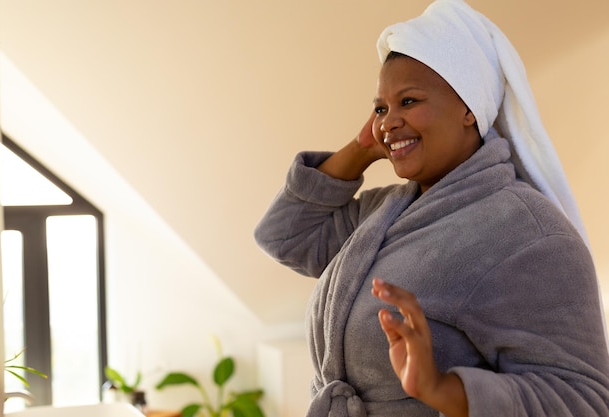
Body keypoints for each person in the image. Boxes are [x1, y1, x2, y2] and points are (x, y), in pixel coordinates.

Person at [254, 0, 609, 416]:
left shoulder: (529, 235)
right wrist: (363, 146)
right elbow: (284, 236)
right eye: (380, 108)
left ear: (467, 109)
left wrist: (442, 389)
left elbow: (584, 402)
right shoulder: (383, 213)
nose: (386, 121)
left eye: (408, 101)